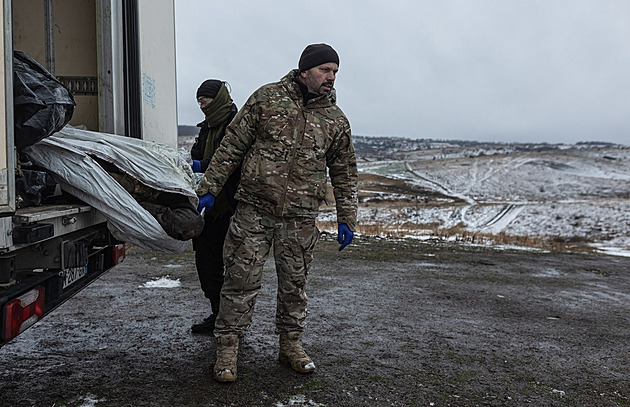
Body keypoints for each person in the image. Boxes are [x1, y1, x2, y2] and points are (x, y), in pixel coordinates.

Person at [195, 43, 358, 382]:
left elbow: (344, 171)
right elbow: (233, 145)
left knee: (294, 286)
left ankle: (291, 345)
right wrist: (210, 187)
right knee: (240, 280)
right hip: (254, 211)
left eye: (335, 72)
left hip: (299, 218)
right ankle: (227, 348)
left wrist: (347, 217)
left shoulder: (335, 119)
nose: (331, 77)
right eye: (325, 70)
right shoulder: (266, 100)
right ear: (305, 70)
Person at [189, 79, 239, 334]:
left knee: (233, 269)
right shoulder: (206, 127)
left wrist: (203, 165)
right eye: (199, 101)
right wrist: (191, 162)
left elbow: (232, 159)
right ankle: (216, 313)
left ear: (217, 98)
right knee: (207, 264)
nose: (201, 105)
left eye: (205, 100)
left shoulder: (236, 123)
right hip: (208, 209)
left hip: (231, 208)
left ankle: (231, 322)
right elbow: (197, 153)